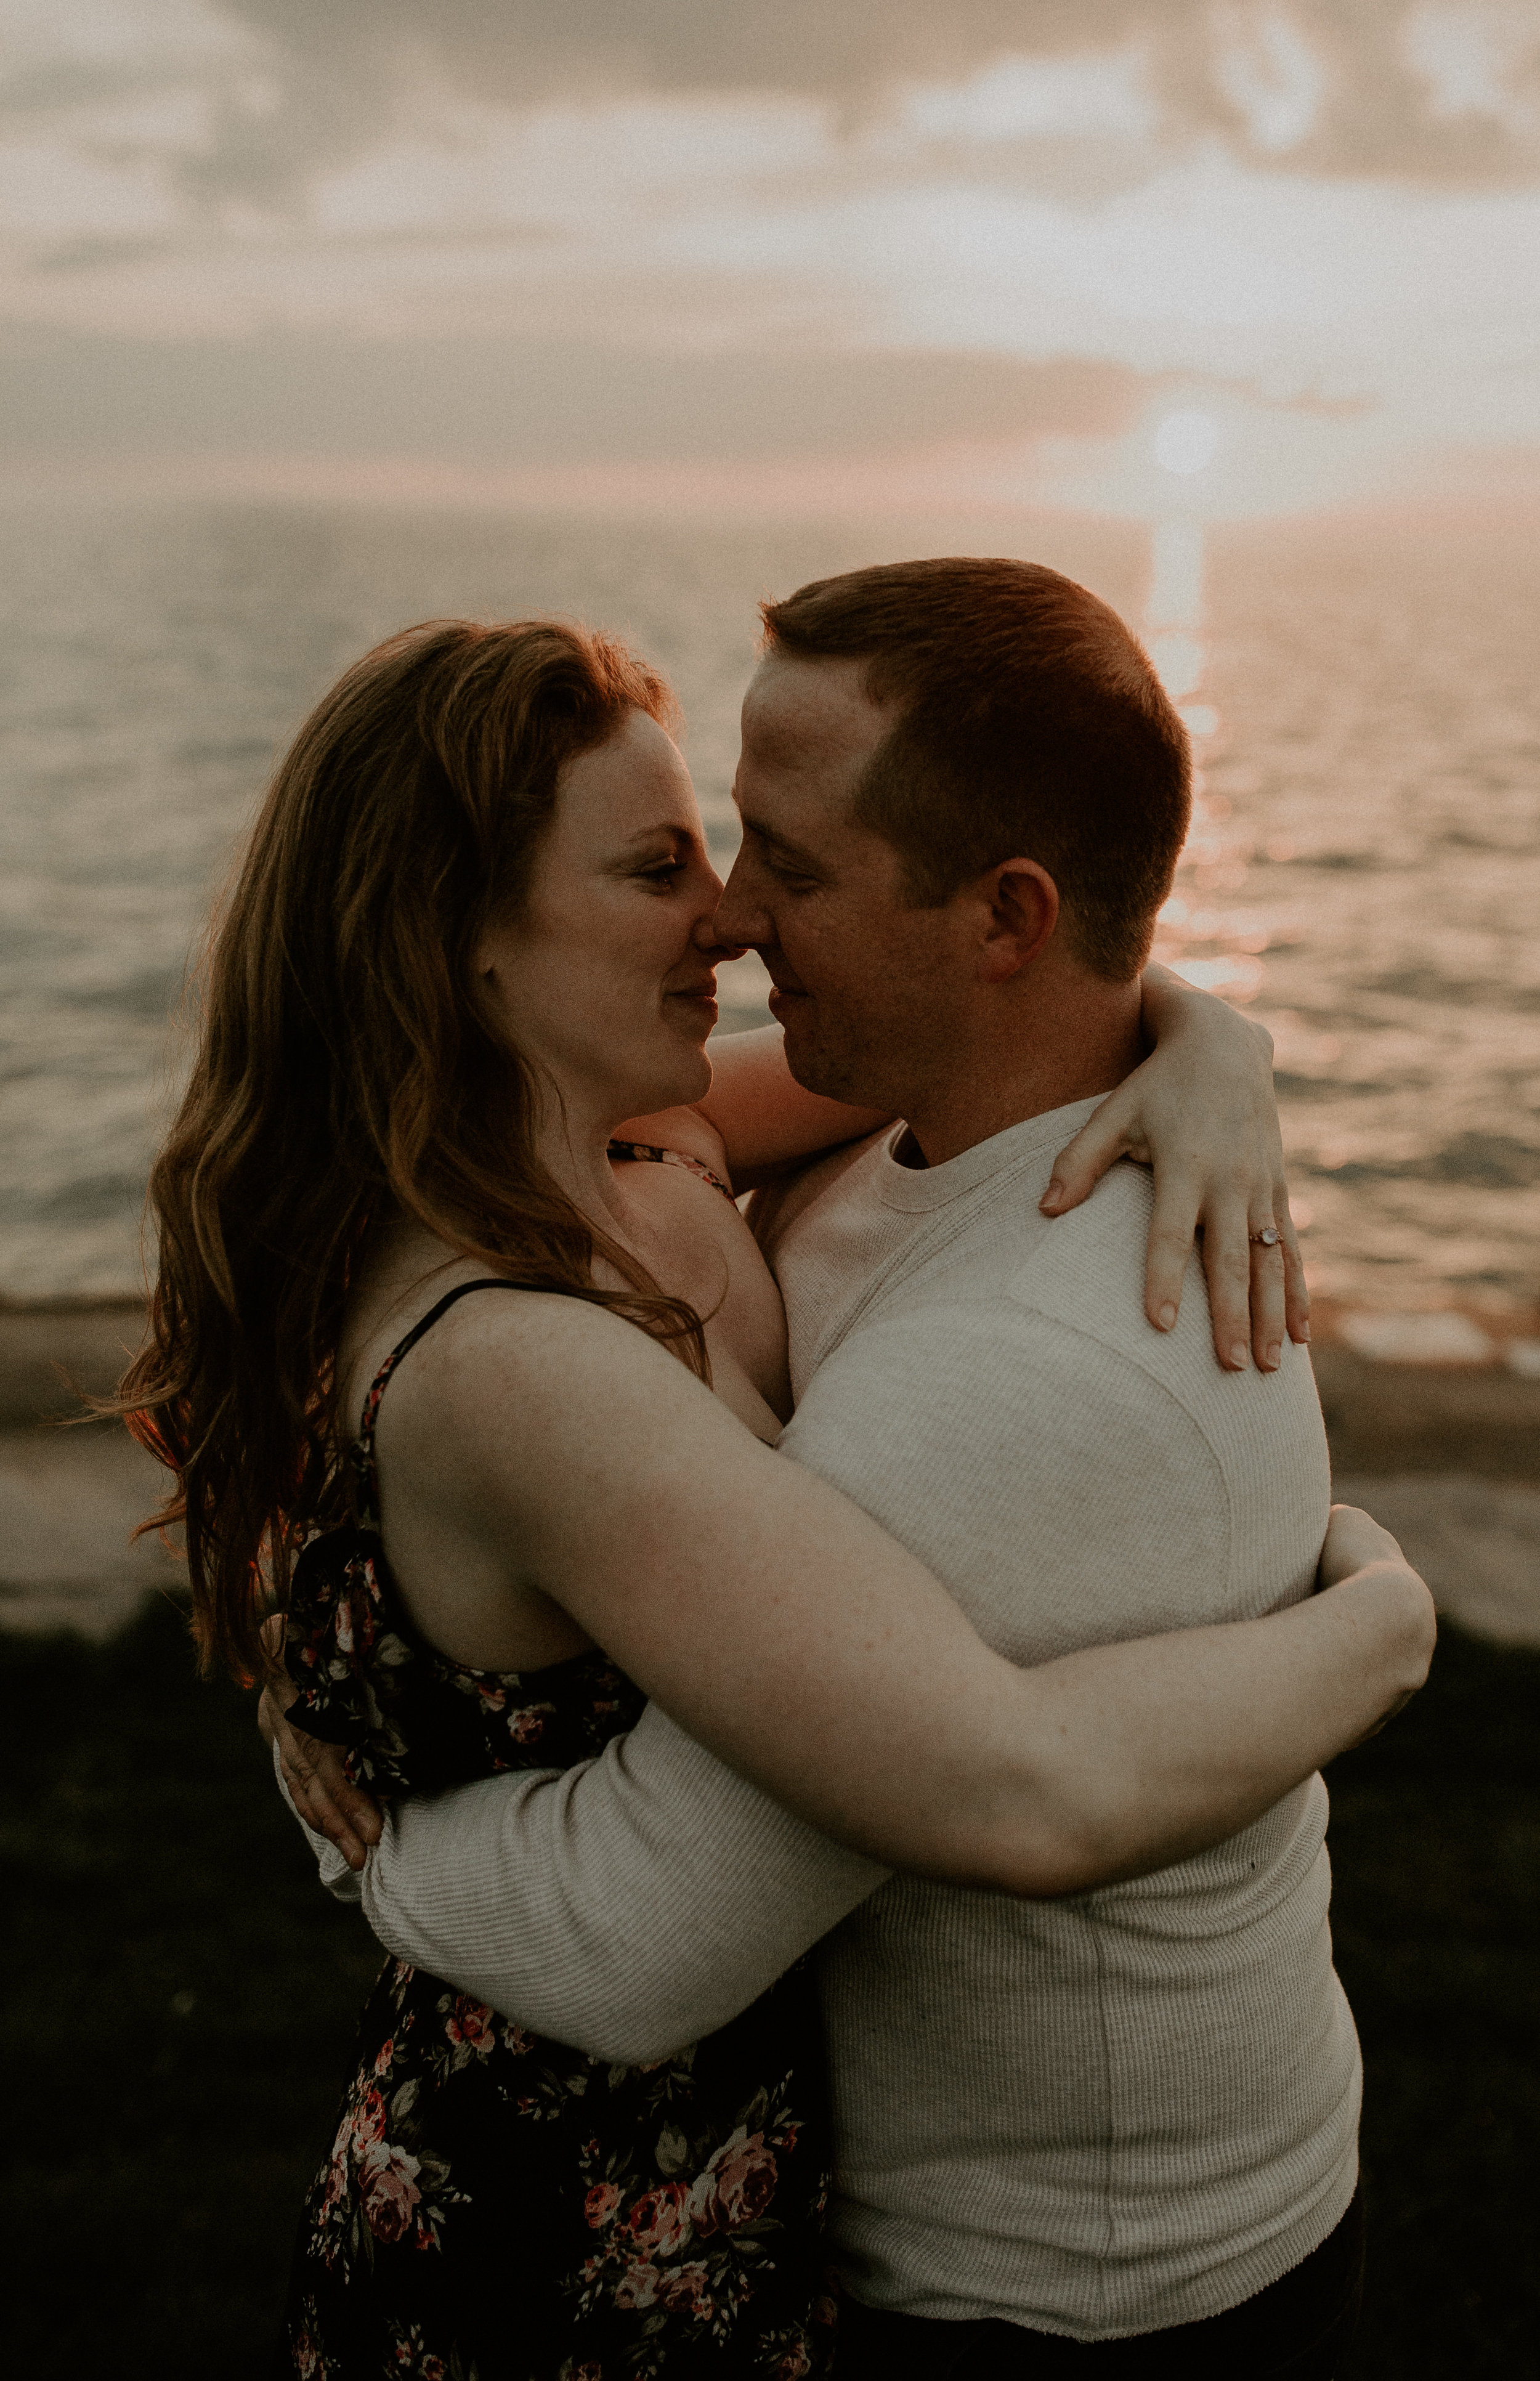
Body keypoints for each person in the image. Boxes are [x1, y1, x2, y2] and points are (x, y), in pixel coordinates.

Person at [133, 602, 1430, 2380]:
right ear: (464, 943)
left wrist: (1209, 1039)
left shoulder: (634, 1163)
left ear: (1005, 914)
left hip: (1053, 2276)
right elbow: (1004, 1793)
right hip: (588, 2229)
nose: (731, 912)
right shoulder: (528, 1345)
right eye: (671, 858)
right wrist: (1379, 1617)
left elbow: (1052, 1000)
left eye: (757, 855)